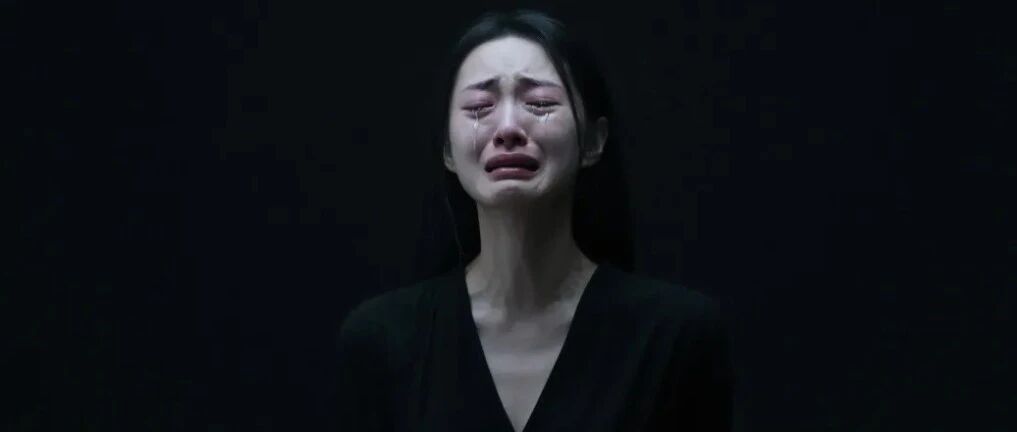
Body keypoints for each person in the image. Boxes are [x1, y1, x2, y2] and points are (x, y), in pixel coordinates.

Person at [337, 9, 733, 432]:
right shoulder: (382, 339)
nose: (508, 128)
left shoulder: (676, 335)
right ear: (448, 150)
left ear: (593, 141)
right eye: (479, 107)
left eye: (540, 103)